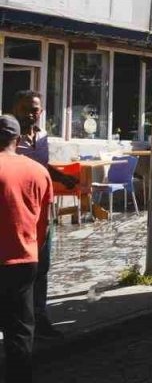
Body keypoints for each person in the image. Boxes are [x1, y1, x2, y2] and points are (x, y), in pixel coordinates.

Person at [12, 90, 78, 339]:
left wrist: (62, 177)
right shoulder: (7, 137)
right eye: (27, 108)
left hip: (41, 212)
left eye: (36, 109)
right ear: (15, 108)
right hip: (14, 212)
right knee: (16, 268)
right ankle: (14, 318)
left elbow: (42, 167)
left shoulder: (42, 137)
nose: (32, 113)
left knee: (42, 265)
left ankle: (39, 317)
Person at [0, 113, 52, 383]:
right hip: (25, 260)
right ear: (17, 140)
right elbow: (43, 225)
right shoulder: (39, 171)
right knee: (19, 333)